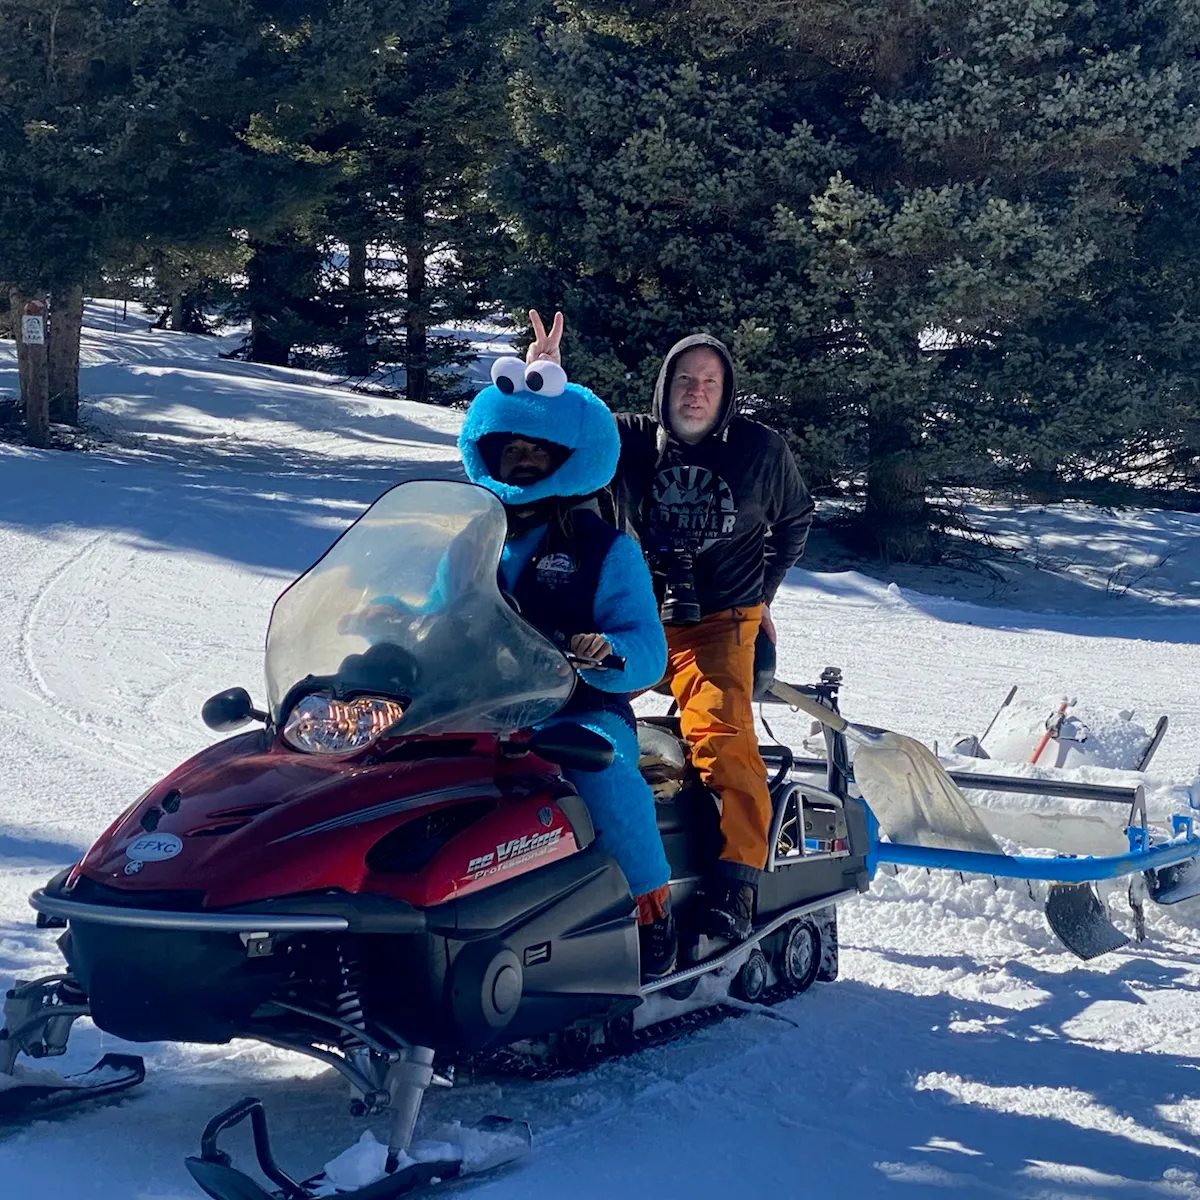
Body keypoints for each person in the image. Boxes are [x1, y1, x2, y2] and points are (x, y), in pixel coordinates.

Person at [524, 312, 814, 941]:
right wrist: (544, 374)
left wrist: (762, 596)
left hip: (719, 623)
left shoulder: (762, 451)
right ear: (665, 387)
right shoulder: (631, 439)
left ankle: (736, 884)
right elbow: (567, 435)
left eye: (710, 380)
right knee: (552, 710)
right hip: (632, 622)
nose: (696, 390)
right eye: (685, 378)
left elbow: (797, 521)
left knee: (721, 738)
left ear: (727, 392)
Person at [457, 353, 677, 979]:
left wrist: (610, 654)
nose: (525, 458)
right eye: (513, 447)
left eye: (541, 448)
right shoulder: (466, 536)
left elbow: (647, 646)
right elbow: (425, 602)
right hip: (468, 703)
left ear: (565, 459)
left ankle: (648, 902)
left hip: (578, 707)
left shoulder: (603, 547)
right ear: (489, 453)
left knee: (599, 767)